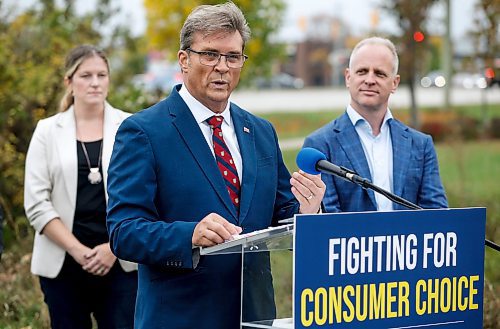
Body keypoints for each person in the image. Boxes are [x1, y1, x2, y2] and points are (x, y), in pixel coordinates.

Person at [106, 2, 325, 329]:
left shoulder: (261, 131)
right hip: (181, 317)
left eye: (233, 56)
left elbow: (281, 210)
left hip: (255, 316)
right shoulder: (144, 131)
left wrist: (310, 213)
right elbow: (124, 231)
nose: (222, 67)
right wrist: (189, 234)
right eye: (210, 54)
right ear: (184, 59)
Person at [24, 45, 137, 329]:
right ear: (69, 82)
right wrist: (77, 250)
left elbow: (146, 196)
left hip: (120, 262)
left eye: (102, 74)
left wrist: (113, 249)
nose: (95, 82)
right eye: (86, 75)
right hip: (63, 264)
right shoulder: (47, 131)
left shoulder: (131, 126)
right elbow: (37, 204)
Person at [303, 36, 448, 212]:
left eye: (379, 73)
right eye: (362, 71)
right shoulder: (320, 145)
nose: (370, 80)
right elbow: (328, 217)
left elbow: (436, 214)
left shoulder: (421, 144)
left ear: (394, 83)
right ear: (348, 77)